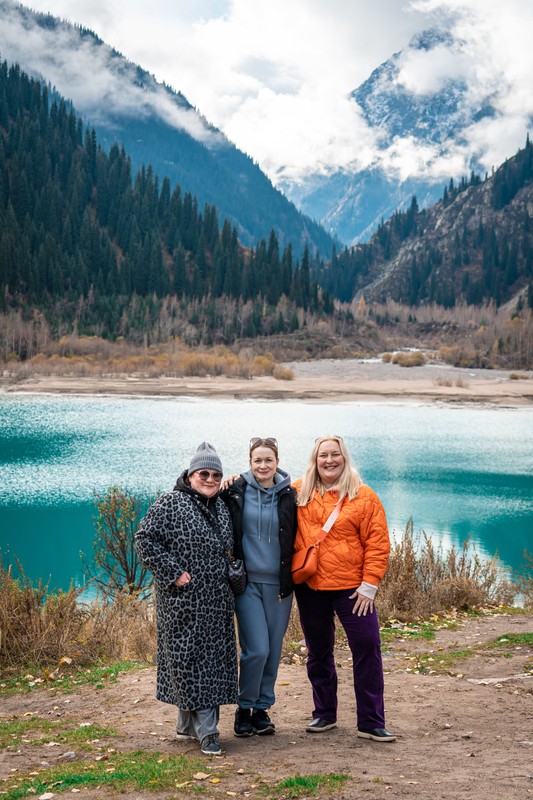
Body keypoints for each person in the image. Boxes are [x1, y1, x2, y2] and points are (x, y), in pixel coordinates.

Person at [135, 442, 238, 756]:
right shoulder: (171, 503)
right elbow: (144, 540)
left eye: (216, 474)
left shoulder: (221, 505)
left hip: (217, 602)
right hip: (183, 602)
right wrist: (174, 572)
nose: (210, 479)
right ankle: (208, 733)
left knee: (210, 666)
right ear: (191, 475)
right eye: (203, 473)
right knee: (191, 664)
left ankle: (188, 726)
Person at [293, 435, 396, 742]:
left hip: (353, 589)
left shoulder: (363, 496)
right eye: (323, 455)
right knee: (318, 651)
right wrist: (234, 481)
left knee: (367, 646)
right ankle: (324, 713)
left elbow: (377, 543)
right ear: (315, 460)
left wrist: (369, 585)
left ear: (344, 457)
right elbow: (263, 487)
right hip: (311, 586)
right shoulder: (298, 492)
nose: (329, 460)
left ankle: (371, 721)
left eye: (334, 454)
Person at [223, 437, 297, 738]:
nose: (263, 465)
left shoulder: (291, 495)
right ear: (250, 462)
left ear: (277, 462)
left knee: (273, 650)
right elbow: (204, 498)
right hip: (248, 583)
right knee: (257, 649)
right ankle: (244, 707)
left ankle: (262, 709)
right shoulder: (235, 491)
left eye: (269, 460)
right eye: (258, 460)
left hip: (280, 585)